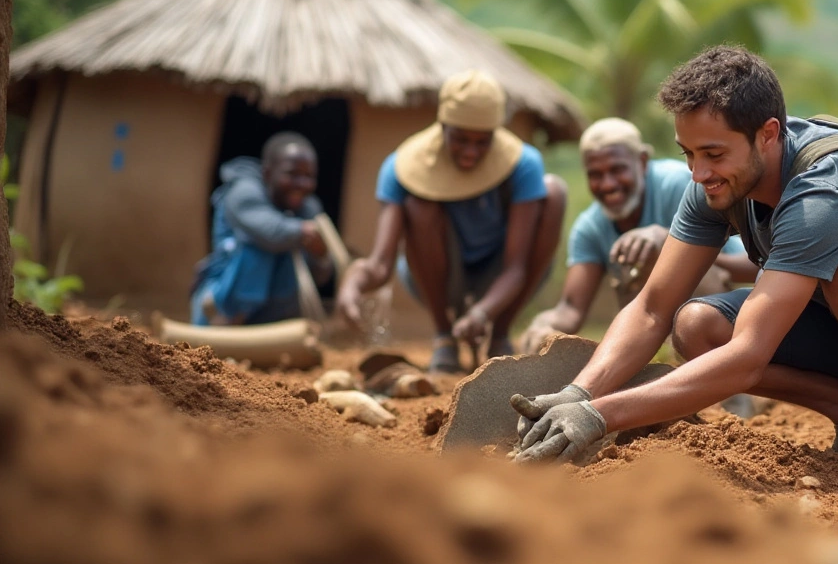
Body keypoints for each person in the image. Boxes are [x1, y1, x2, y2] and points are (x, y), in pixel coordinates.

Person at [510, 45, 838, 485]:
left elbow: (750, 355)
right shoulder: (717, 184)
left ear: (768, 134)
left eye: (713, 153)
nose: (699, 173)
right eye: (688, 154)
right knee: (698, 325)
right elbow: (652, 308)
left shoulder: (825, 191)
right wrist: (577, 393)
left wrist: (598, 416)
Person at [336, 69, 566, 372]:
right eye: (459, 139)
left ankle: (500, 334)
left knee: (554, 192)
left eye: (483, 142)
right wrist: (352, 283)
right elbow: (380, 265)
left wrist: (483, 314)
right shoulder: (399, 168)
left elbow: (516, 268)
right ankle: (443, 334)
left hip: (503, 279)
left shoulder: (524, 165)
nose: (470, 153)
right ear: (442, 125)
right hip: (436, 278)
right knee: (418, 204)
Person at [517, 117, 756, 355]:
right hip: (654, 323)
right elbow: (571, 308)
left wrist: (669, 244)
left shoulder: (683, 187)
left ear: (642, 162)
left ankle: (723, 378)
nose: (608, 184)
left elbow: (754, 267)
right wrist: (546, 327)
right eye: (595, 174)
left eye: (617, 170)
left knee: (656, 252)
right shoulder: (590, 228)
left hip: (723, 310)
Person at [191, 132, 332, 325]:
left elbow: (321, 276)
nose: (302, 184)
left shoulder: (308, 207)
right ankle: (226, 324)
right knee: (259, 247)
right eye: (292, 174)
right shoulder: (244, 192)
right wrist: (303, 232)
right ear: (267, 173)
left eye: (308, 176)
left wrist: (320, 255)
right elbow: (271, 233)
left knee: (291, 256)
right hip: (222, 305)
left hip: (271, 316)